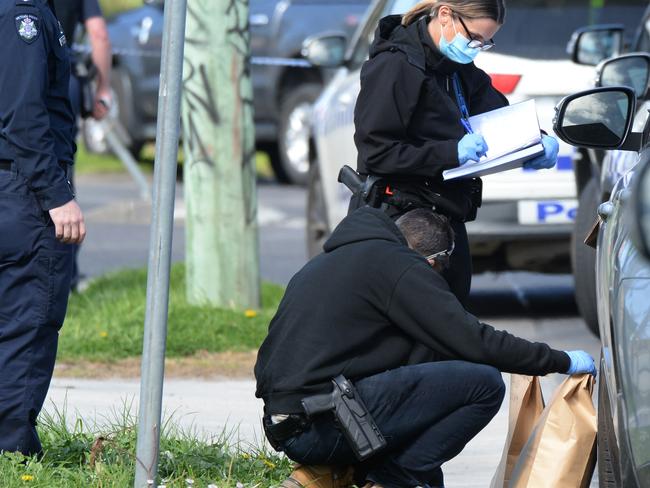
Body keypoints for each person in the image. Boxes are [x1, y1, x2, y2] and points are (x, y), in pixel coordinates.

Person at [254, 206, 595, 488]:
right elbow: (474, 340)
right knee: (483, 384)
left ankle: (332, 473)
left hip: (287, 422)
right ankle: (387, 481)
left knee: (426, 415)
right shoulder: (399, 266)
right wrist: (559, 360)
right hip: (321, 424)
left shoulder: (334, 259)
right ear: (432, 261)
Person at [352, 0, 559, 305]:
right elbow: (376, 153)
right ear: (446, 15)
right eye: (474, 38)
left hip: (445, 212)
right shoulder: (395, 66)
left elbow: (498, 115)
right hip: (400, 217)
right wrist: (451, 153)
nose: (476, 48)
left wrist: (536, 142)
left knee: (453, 312)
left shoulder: (458, 67)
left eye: (485, 42)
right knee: (422, 325)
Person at [0, 0, 85, 455]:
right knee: (28, 321)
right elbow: (24, 116)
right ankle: (11, 449)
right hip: (25, 189)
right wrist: (57, 197)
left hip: (13, 182)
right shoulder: (24, 18)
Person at [53, 0, 112, 290]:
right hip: (64, 79)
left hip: (21, 74)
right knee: (64, 177)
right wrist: (102, 88)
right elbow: (98, 33)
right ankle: (67, 275)